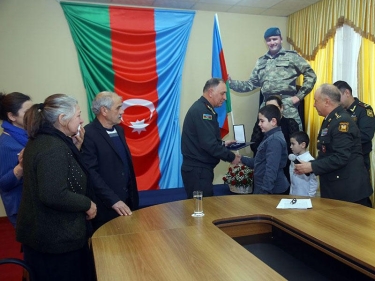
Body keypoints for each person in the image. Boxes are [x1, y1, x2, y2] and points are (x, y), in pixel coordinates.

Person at [16, 94, 97, 281]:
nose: (82, 120)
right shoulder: (53, 147)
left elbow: (61, 174)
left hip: (47, 236)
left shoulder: (44, 140)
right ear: (62, 119)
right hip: (55, 241)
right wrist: (87, 204)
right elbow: (53, 194)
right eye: (78, 115)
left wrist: (76, 148)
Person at [294, 84, 373, 207]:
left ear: (327, 101)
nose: (314, 105)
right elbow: (326, 152)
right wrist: (308, 167)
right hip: (337, 189)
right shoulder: (330, 120)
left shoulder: (342, 122)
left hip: (349, 193)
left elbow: (341, 157)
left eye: (316, 101)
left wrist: (313, 166)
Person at [229, 27, 317, 129]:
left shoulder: (292, 57)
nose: (272, 42)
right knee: (265, 138)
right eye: (269, 40)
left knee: (294, 138)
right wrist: (230, 83)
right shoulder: (261, 61)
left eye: (275, 39)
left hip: (286, 105)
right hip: (267, 106)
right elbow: (250, 84)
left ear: (281, 39)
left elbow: (311, 75)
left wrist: (299, 96)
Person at [81, 91, 139, 231]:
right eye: (118, 107)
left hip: (127, 201)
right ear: (104, 111)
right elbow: (91, 173)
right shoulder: (89, 134)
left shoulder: (119, 130)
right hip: (106, 206)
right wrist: (113, 200)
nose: (122, 111)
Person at [181, 78, 241, 198]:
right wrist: (232, 157)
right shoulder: (203, 112)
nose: (225, 97)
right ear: (210, 92)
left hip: (198, 170)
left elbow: (202, 140)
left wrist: (223, 144)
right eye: (222, 93)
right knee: (201, 210)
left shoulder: (203, 108)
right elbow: (209, 144)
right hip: (198, 171)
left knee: (202, 208)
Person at [250, 95, 299, 186]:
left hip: (283, 168)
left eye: (274, 107)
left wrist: (276, 155)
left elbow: (295, 146)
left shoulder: (289, 123)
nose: (270, 110)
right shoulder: (261, 124)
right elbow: (253, 144)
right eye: (268, 107)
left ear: (281, 108)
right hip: (263, 168)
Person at [0, 92, 32, 228]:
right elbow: (4, 184)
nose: (33, 116)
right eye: (27, 112)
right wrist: (21, 167)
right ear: (11, 116)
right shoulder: (6, 144)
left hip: (32, 204)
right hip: (21, 208)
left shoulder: (28, 134)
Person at [241, 104, 289, 194]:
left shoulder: (274, 140)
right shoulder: (269, 136)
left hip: (271, 190)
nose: (259, 124)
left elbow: (271, 169)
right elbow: (260, 161)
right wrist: (241, 158)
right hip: (263, 187)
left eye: (262, 121)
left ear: (273, 121)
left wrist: (264, 193)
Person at [333, 80, 375, 171]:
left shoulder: (364, 110)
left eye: (338, 97)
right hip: (341, 158)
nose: (336, 101)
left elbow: (366, 135)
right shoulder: (339, 112)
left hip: (359, 159)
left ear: (347, 93)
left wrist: (342, 141)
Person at [289, 131, 318, 197]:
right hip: (293, 195)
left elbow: (313, 182)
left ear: (303, 145)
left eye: (293, 144)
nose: (290, 147)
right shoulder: (293, 158)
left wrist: (310, 197)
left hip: (305, 196)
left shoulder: (310, 161)